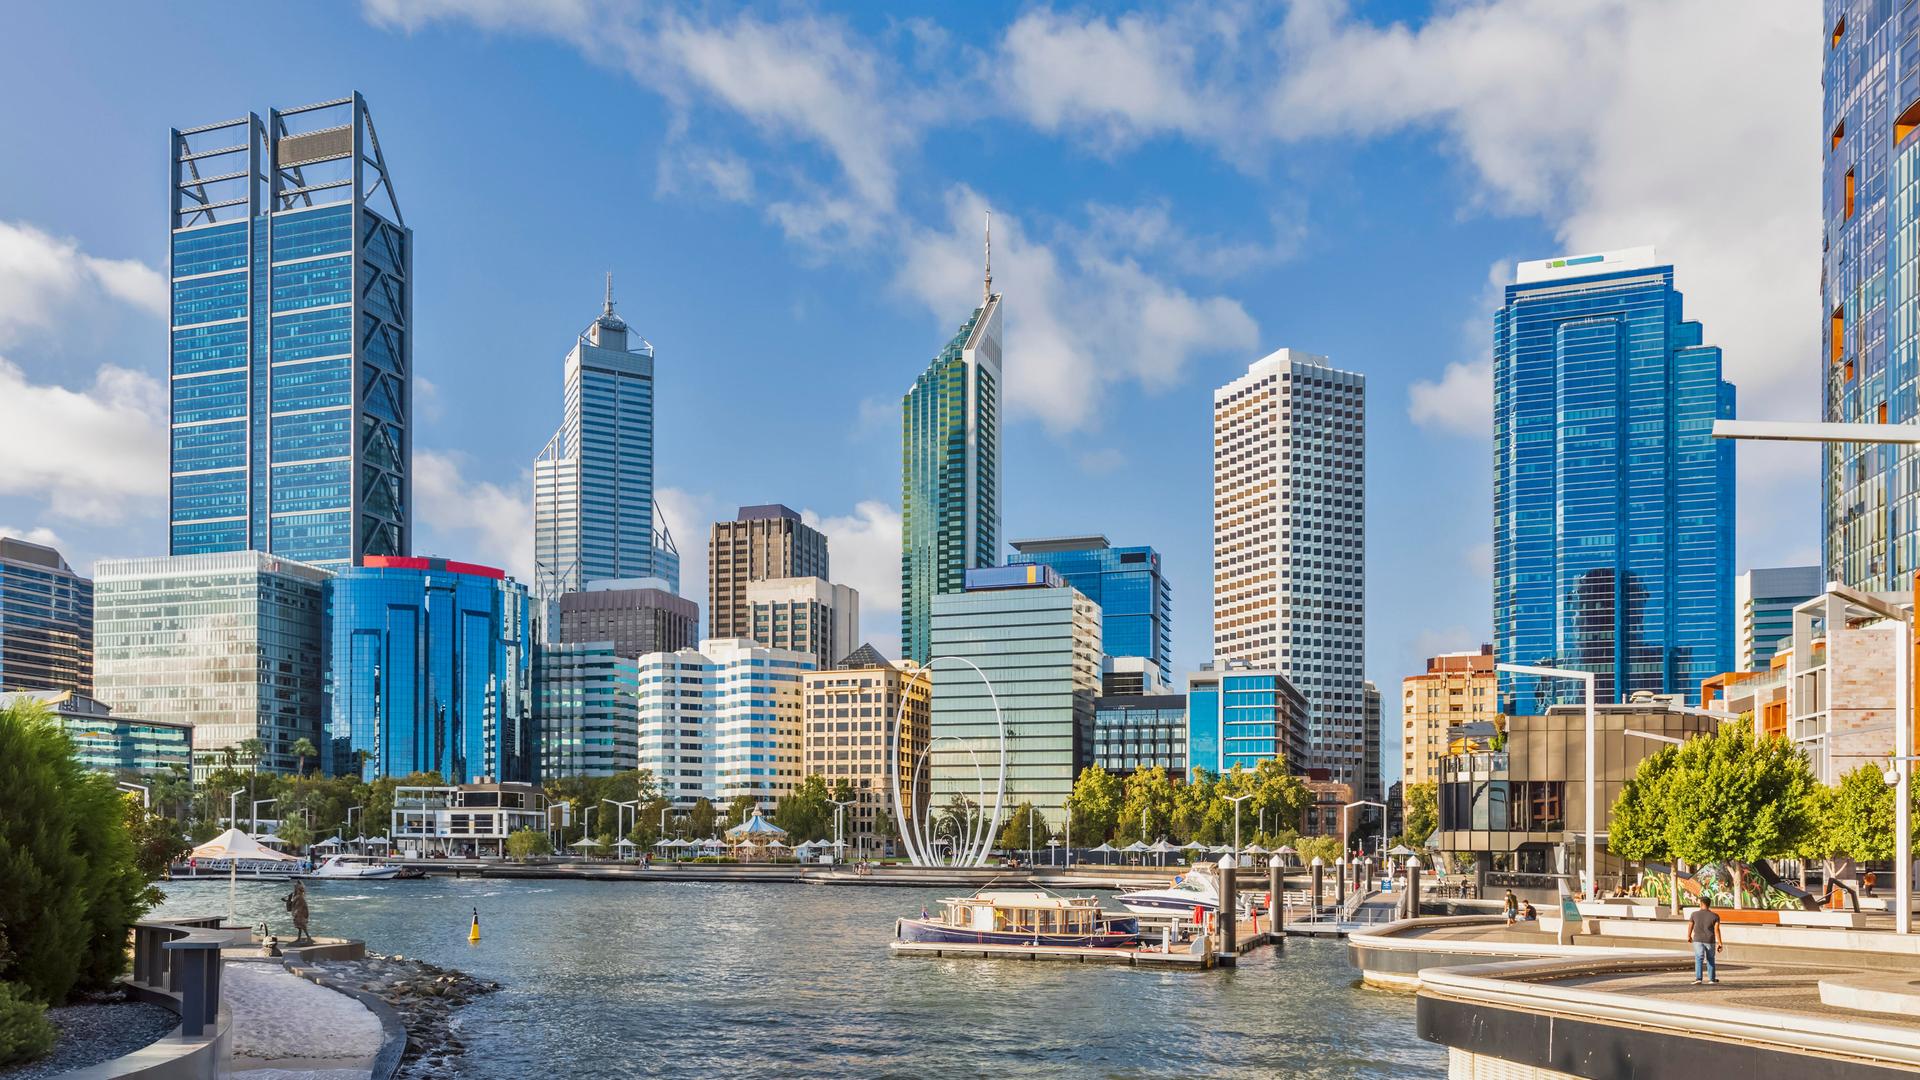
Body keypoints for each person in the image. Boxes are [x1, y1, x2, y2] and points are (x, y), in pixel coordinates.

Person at [1687, 897, 1723, 985]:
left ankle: (1698, 978)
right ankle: (1712, 979)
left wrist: (1688, 936)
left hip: (1698, 940)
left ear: (1701, 903)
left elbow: (1690, 925)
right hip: (1710, 940)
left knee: (1699, 958)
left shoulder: (1694, 914)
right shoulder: (1715, 916)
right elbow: (1717, 930)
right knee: (1710, 959)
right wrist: (1720, 942)